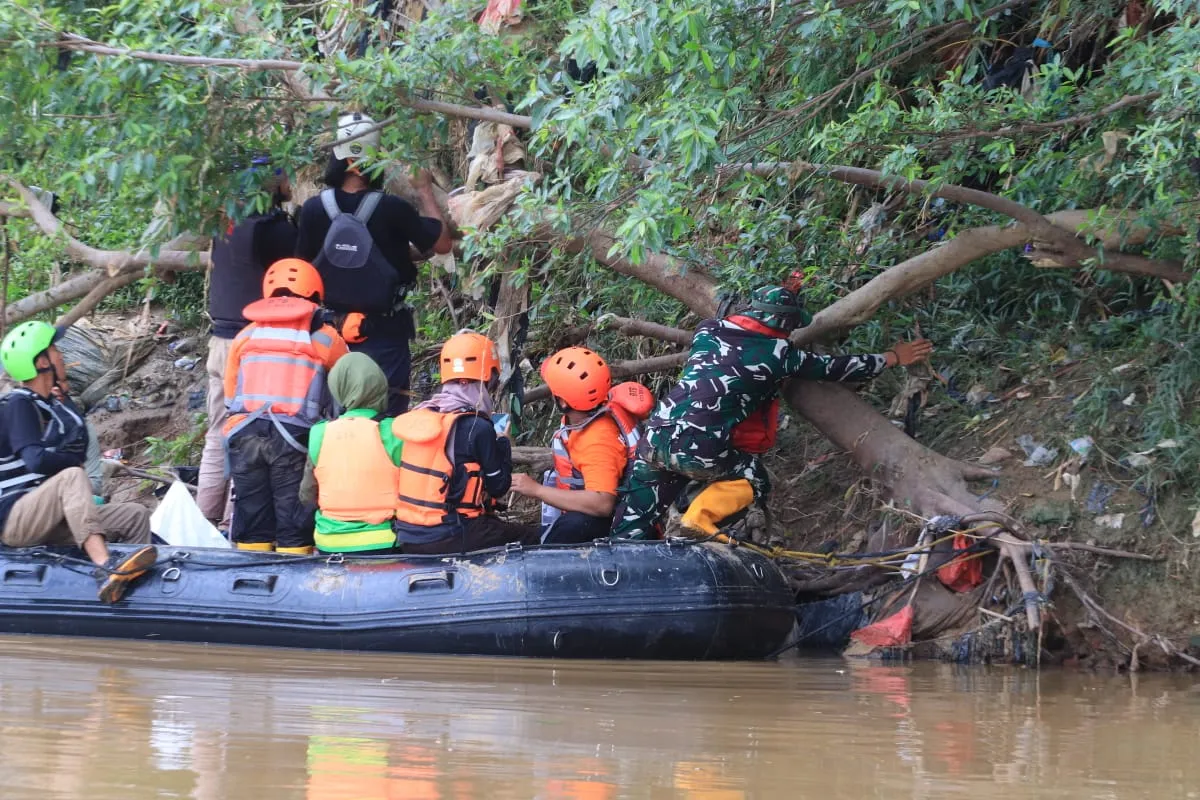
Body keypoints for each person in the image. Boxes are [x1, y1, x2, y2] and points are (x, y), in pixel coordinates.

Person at [611, 285, 933, 540]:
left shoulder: (708, 331)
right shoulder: (779, 353)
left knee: (635, 518)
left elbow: (732, 328)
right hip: (702, 448)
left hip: (655, 437)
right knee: (755, 478)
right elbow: (835, 367)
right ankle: (698, 518)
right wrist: (892, 357)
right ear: (784, 326)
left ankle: (614, 558)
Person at [296, 112, 453, 416]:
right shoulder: (393, 209)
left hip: (331, 335)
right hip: (385, 334)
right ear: (374, 160)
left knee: (335, 417)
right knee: (385, 418)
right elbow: (442, 244)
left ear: (338, 155)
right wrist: (423, 190)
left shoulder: (314, 210)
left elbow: (302, 268)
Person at [0, 321, 156, 603]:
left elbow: (78, 443)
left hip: (49, 517)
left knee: (135, 514)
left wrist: (63, 394)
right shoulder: (18, 404)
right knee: (72, 475)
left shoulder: (50, 405)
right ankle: (105, 567)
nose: (62, 355)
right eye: (55, 350)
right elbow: (35, 461)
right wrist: (70, 463)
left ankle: (134, 593)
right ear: (42, 362)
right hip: (16, 520)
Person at [197, 159, 297, 530]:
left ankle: (205, 519)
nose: (291, 182)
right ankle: (233, 523)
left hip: (220, 340)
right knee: (251, 433)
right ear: (272, 183)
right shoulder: (273, 229)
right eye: (286, 175)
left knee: (218, 432)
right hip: (253, 345)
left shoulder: (226, 221)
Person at [223, 258, 348, 554]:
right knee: (293, 518)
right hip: (294, 438)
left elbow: (230, 396)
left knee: (253, 517)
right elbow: (345, 390)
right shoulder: (324, 337)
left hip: (244, 433)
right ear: (315, 292)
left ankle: (251, 572)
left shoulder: (245, 335)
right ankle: (294, 567)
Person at [390, 331, 538, 554]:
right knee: (533, 536)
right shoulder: (477, 426)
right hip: (450, 534)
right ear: (489, 376)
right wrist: (503, 444)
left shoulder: (421, 416)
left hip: (408, 534)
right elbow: (499, 487)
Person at [508, 347, 650, 544]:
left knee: (569, 527)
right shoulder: (590, 412)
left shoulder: (598, 440)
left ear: (563, 402)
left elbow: (602, 503)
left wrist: (536, 490)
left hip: (613, 527)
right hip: (610, 514)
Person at [299, 352, 402, 554]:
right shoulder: (395, 430)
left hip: (329, 543)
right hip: (386, 541)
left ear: (338, 388)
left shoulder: (319, 432)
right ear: (380, 386)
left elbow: (307, 495)